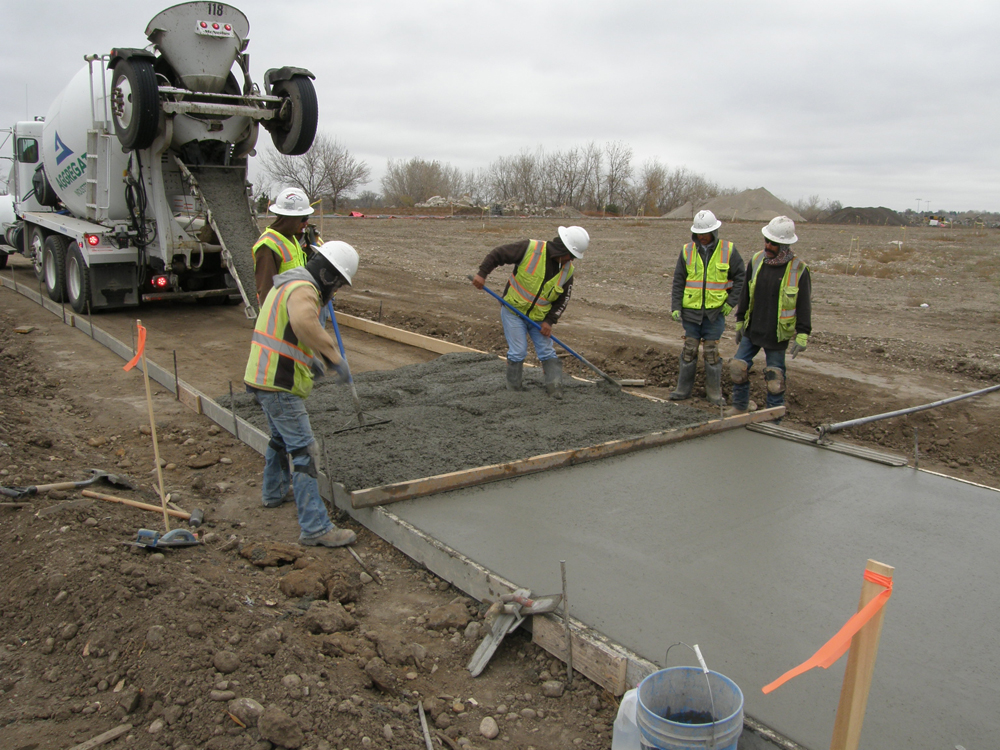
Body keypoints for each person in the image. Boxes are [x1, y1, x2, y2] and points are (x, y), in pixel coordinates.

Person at [244, 241, 360, 547]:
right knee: (305, 450)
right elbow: (303, 321)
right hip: (279, 384)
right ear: (328, 275)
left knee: (280, 438)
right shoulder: (305, 289)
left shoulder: (287, 284)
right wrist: (333, 356)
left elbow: (283, 330)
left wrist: (309, 358)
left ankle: (274, 492)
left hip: (262, 376)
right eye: (338, 285)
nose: (335, 293)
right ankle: (315, 527)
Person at [471, 226, 590, 398]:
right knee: (518, 351)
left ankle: (554, 387)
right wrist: (482, 274)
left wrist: (550, 321)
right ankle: (514, 390)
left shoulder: (567, 271)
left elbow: (563, 300)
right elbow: (498, 254)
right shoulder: (531, 249)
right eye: (571, 255)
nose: (571, 260)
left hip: (539, 318)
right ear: (562, 249)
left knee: (547, 351)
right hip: (514, 311)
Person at [729, 216, 812, 415]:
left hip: (777, 334)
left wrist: (803, 334)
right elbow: (746, 293)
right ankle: (740, 407)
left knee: (775, 378)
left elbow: (804, 304)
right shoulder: (757, 261)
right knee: (737, 368)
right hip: (753, 328)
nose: (767, 245)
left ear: (784, 244)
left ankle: (774, 416)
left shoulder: (799, 270)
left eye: (773, 243)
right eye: (766, 240)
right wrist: (740, 321)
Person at [669, 210, 746, 406]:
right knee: (689, 350)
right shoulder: (687, 251)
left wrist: (730, 303)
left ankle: (713, 392)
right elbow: (679, 280)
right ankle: (683, 389)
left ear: (715, 231)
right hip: (691, 311)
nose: (702, 238)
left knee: (711, 353)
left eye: (705, 234)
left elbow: (740, 278)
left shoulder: (728, 250)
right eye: (699, 234)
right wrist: (676, 306)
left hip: (715, 313)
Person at [254, 187, 315, 303]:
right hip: (281, 316)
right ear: (290, 219)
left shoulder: (291, 238)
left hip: (296, 310)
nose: (306, 223)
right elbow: (266, 292)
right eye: (303, 218)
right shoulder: (268, 245)